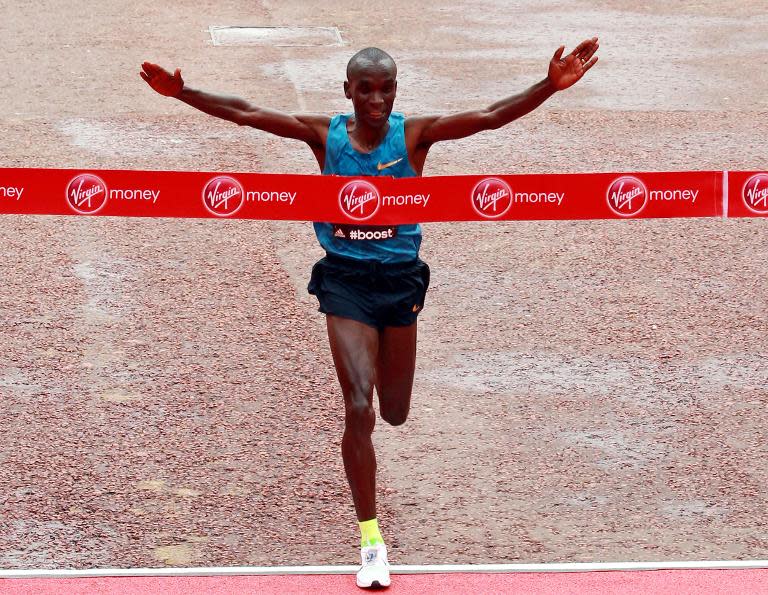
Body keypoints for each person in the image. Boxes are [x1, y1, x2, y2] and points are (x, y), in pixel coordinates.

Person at [140, 39, 599, 588]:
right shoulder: (324, 135)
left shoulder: (413, 136)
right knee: (359, 406)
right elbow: (246, 113)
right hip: (345, 283)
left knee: (395, 412)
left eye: (386, 89)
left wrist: (549, 85)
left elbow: (490, 117)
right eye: (365, 89)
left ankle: (383, 375)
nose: (376, 99)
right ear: (348, 91)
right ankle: (372, 542)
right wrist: (182, 91)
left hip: (400, 282)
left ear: (395, 91)